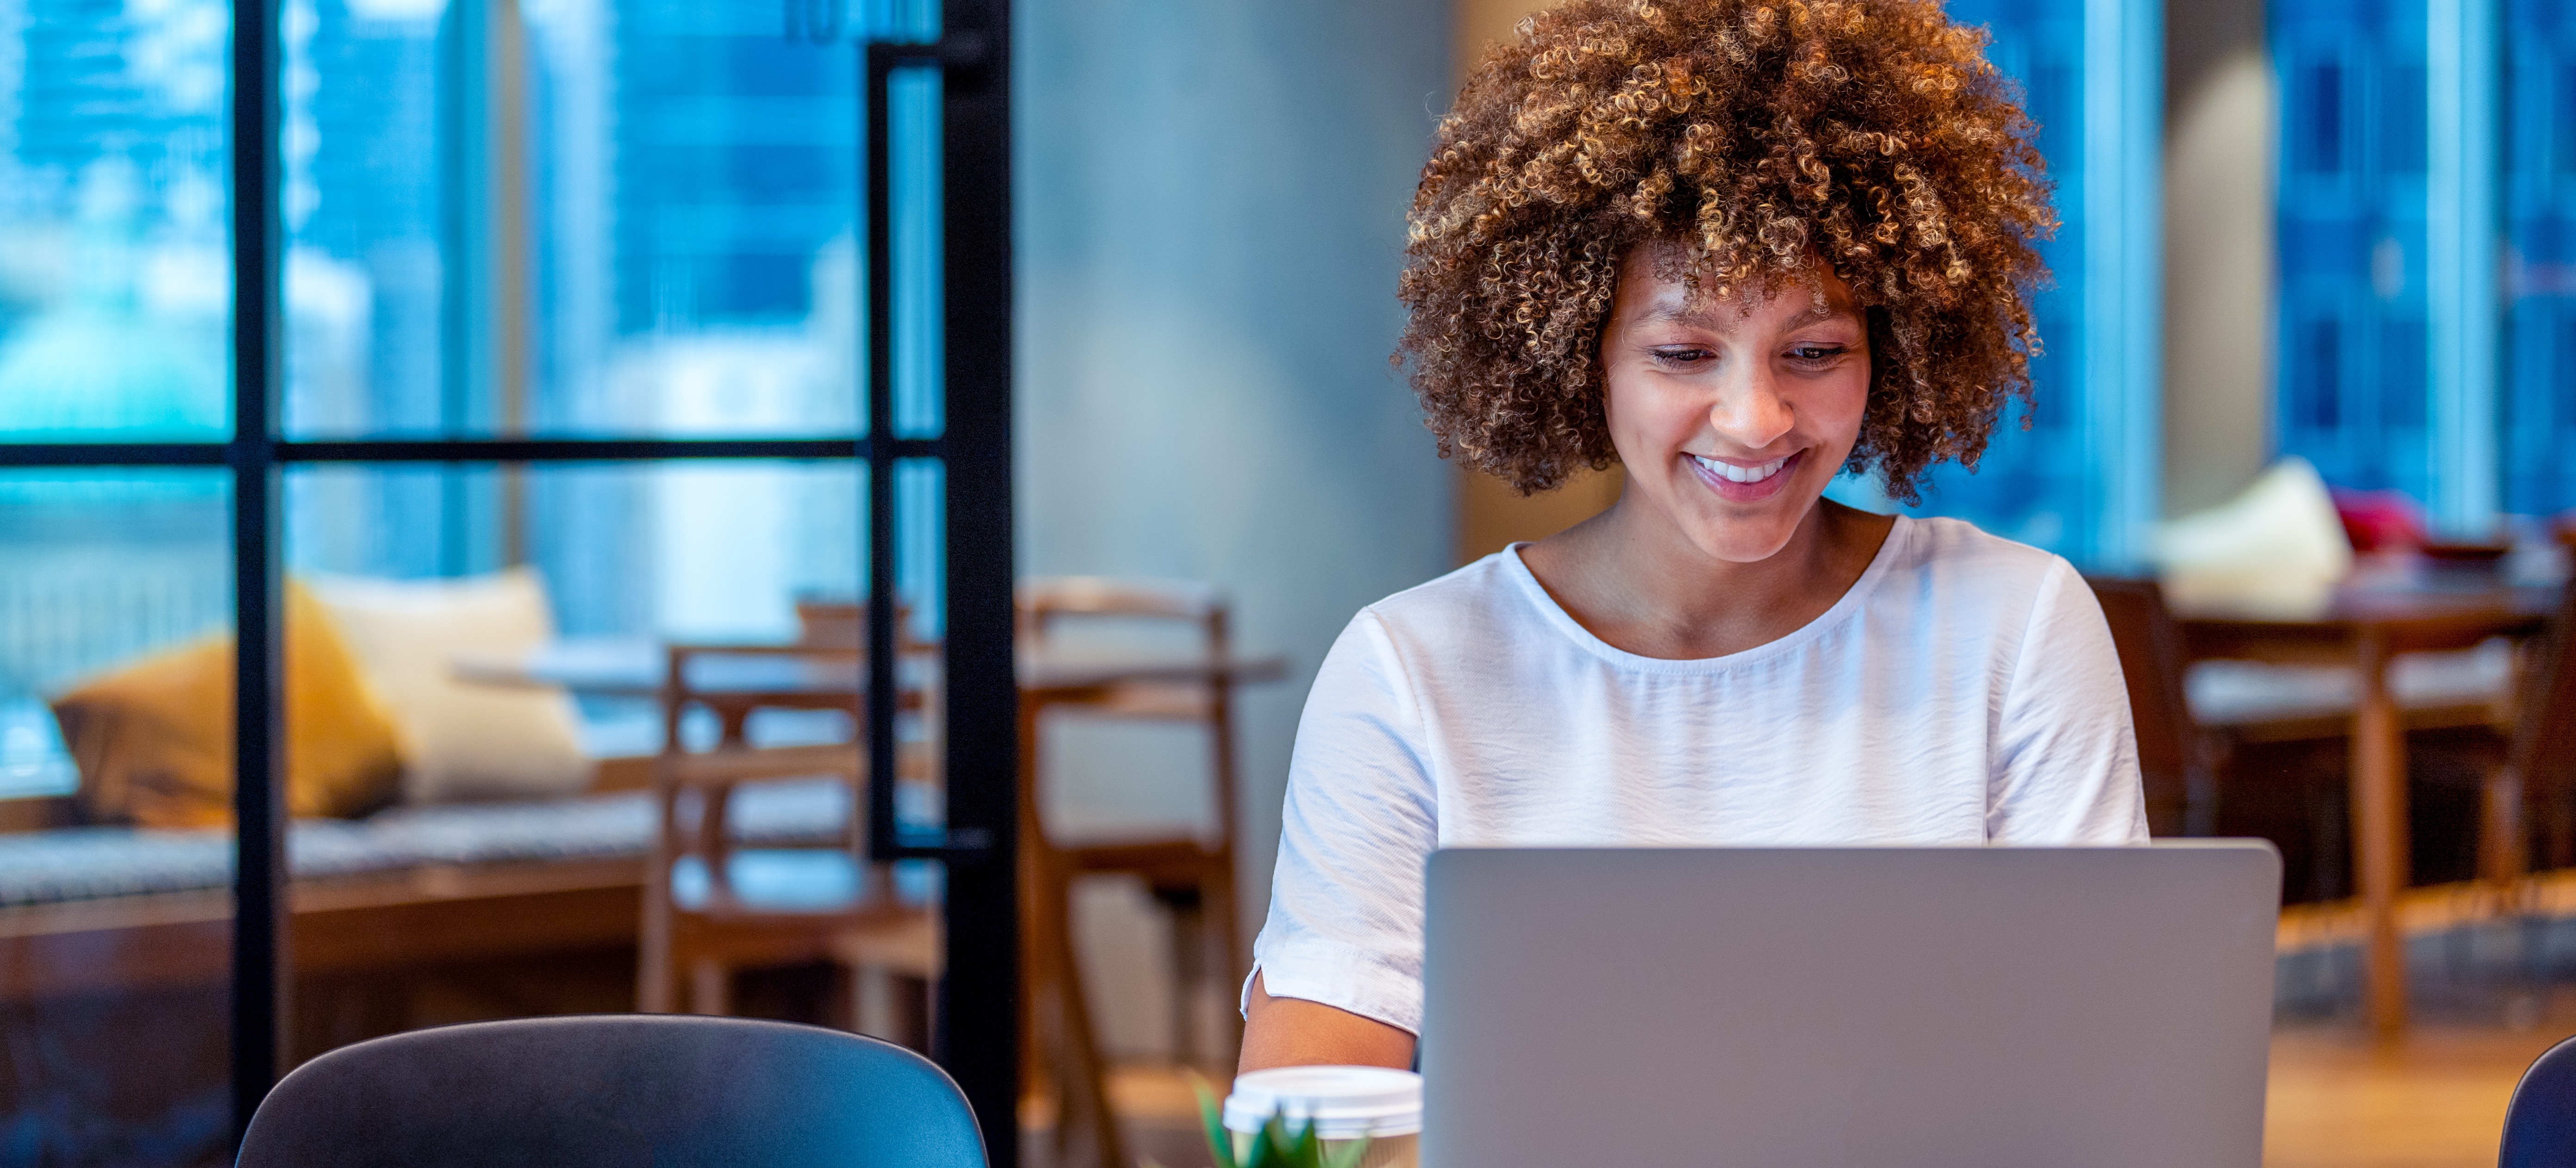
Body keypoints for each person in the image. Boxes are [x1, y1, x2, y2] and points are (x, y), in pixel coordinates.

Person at [1238, 0, 2149, 1073]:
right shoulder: (1410, 676)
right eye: (1682, 352)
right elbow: (1311, 1116)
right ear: (1583, 350)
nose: (1755, 418)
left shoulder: (2018, 627)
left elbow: (2106, 1072)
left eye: (1813, 350)